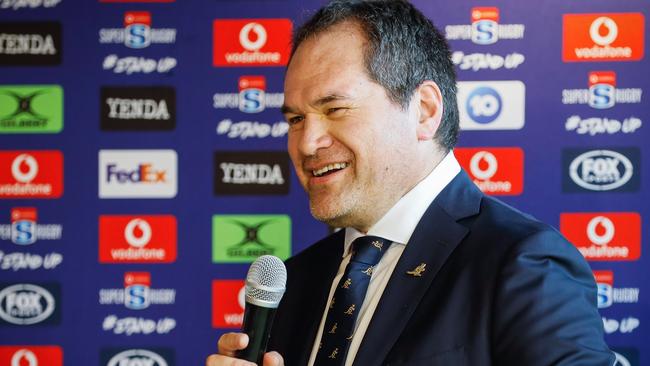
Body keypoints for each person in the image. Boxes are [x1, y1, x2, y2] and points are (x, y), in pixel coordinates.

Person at [207, 1, 614, 365]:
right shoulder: (296, 280)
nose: (308, 143)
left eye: (335, 109)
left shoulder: (522, 263)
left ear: (423, 111)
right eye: (295, 120)